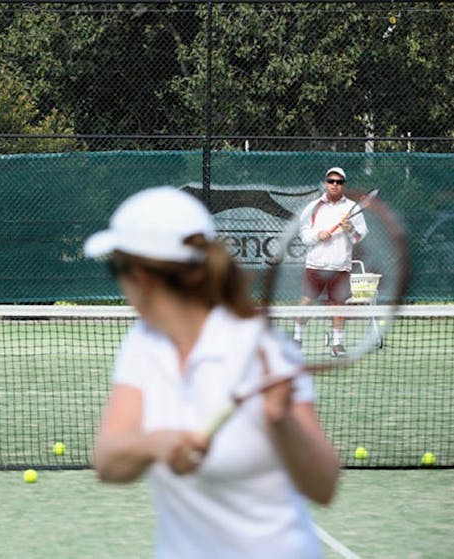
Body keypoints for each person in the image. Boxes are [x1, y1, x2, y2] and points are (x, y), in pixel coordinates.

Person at [85, 187, 339, 559]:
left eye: (116, 269)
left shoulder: (265, 350)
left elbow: (324, 486)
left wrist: (282, 420)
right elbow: (107, 460)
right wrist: (158, 444)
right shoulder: (141, 343)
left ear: (144, 278)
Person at [293, 167, 368, 357]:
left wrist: (350, 228)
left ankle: (337, 344)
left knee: (338, 305)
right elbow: (303, 234)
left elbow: (360, 237)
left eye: (339, 181)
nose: (335, 184)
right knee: (307, 301)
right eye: (331, 181)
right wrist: (318, 235)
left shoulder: (353, 208)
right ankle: (296, 338)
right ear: (326, 183)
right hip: (316, 264)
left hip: (341, 265)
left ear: (344, 185)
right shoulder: (312, 207)